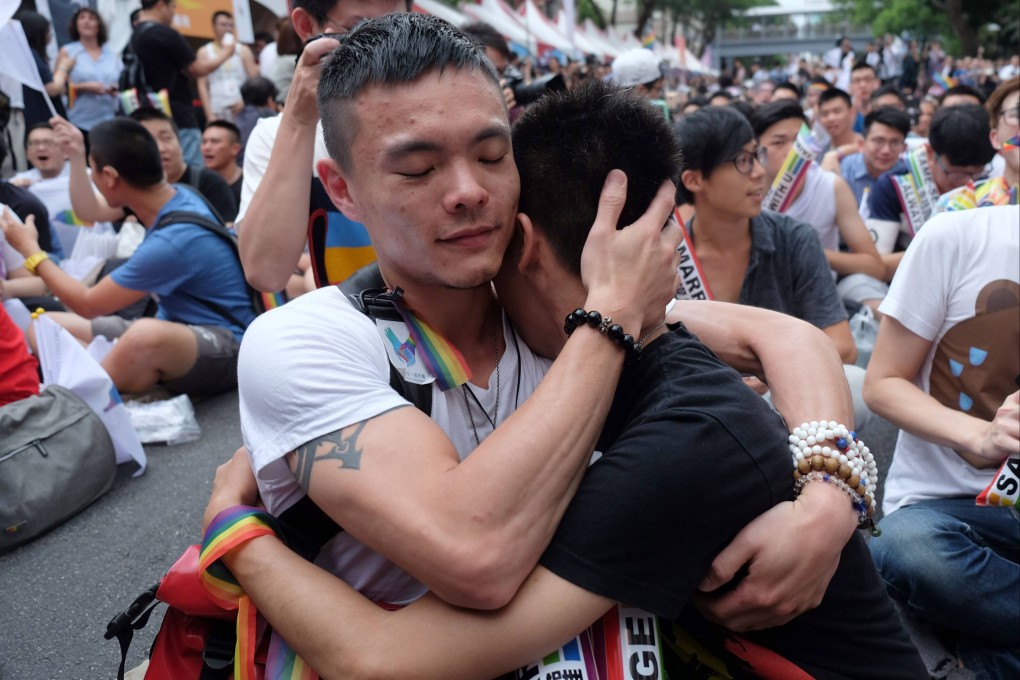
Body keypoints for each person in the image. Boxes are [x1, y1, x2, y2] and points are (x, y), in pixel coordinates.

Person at [204, 16, 921, 677]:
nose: (466, 192)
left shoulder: (540, 310)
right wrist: (606, 316)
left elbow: (782, 335)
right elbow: (475, 555)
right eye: (418, 169)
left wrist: (829, 499)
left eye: (490, 155)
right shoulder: (308, 339)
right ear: (344, 190)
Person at [863, 205, 1020, 679]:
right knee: (907, 548)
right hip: (945, 510)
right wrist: (983, 434)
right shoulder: (958, 237)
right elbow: (882, 381)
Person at [0, 117, 254, 396]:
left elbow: (88, 303)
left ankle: (83, 396)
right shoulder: (175, 194)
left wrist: (31, 252)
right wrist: (76, 156)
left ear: (109, 177)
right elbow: (89, 212)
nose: (93, 179)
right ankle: (121, 378)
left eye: (92, 171)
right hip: (173, 324)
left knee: (143, 337)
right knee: (43, 324)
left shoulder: (173, 242)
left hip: (228, 343)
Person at [676, 105, 874, 429]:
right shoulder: (667, 251)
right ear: (694, 179)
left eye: (758, 156)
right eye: (741, 161)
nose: (758, 172)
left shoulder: (794, 238)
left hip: (779, 396)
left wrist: (769, 370)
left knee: (856, 385)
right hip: (697, 401)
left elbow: (842, 346)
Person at [236, 0, 410, 294]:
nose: (390, 47)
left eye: (402, 28)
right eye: (363, 29)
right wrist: (299, 119)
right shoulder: (279, 136)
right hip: (352, 332)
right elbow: (266, 272)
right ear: (307, 27)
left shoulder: (444, 111)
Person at [858, 104, 996, 309]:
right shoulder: (894, 185)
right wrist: (943, 250)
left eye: (976, 173)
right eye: (956, 173)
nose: (968, 183)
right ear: (930, 153)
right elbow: (880, 264)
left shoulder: (990, 185)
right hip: (908, 294)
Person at [751, 100, 884, 285]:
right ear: (757, 151)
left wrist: (808, 249)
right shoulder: (744, 191)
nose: (792, 151)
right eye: (778, 142)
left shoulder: (831, 187)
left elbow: (874, 266)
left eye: (799, 142)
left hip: (817, 295)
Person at [131, 0, 244, 166]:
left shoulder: (136, 34)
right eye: (173, 7)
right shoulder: (164, 33)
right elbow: (197, 69)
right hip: (178, 116)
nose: (174, 12)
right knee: (191, 168)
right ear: (161, 5)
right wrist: (227, 52)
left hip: (150, 113)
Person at [129, 108, 238, 224]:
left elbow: (228, 229)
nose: (160, 149)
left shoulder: (209, 183)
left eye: (166, 138)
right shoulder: (133, 189)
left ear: (180, 143)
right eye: (150, 142)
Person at [57, 7, 120, 145]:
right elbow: (58, 87)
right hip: (80, 121)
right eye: (82, 18)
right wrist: (84, 87)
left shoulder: (111, 53)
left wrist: (114, 89)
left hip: (110, 119)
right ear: (76, 24)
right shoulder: (68, 52)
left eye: (91, 18)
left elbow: (122, 81)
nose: (87, 21)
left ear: (99, 25)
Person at [836, 107, 911, 214]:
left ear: (903, 148)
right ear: (861, 144)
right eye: (878, 141)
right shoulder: (843, 171)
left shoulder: (907, 176)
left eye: (894, 142)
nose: (886, 150)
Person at [197, 11, 259, 124]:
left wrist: (245, 101)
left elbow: (254, 80)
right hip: (218, 108)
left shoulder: (243, 50)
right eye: (223, 25)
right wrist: (209, 115)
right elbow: (202, 85)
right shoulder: (205, 51)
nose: (228, 28)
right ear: (214, 26)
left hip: (242, 107)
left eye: (231, 25)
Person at [16, 11, 70, 129]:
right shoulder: (31, 56)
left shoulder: (28, 55)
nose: (50, 35)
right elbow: (52, 89)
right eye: (47, 31)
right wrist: (63, 67)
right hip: (43, 117)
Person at [201, 120, 243, 206]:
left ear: (235, 149)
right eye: (204, 142)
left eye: (215, 142)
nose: (207, 147)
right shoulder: (197, 183)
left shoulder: (248, 184)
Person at [817, 87, 859, 155]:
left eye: (837, 111)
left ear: (852, 112)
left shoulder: (866, 148)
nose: (830, 118)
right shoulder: (819, 152)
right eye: (824, 114)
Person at [849, 62, 880, 132]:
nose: (862, 85)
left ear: (877, 83)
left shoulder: (884, 112)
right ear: (850, 86)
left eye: (867, 79)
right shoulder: (845, 115)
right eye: (857, 81)